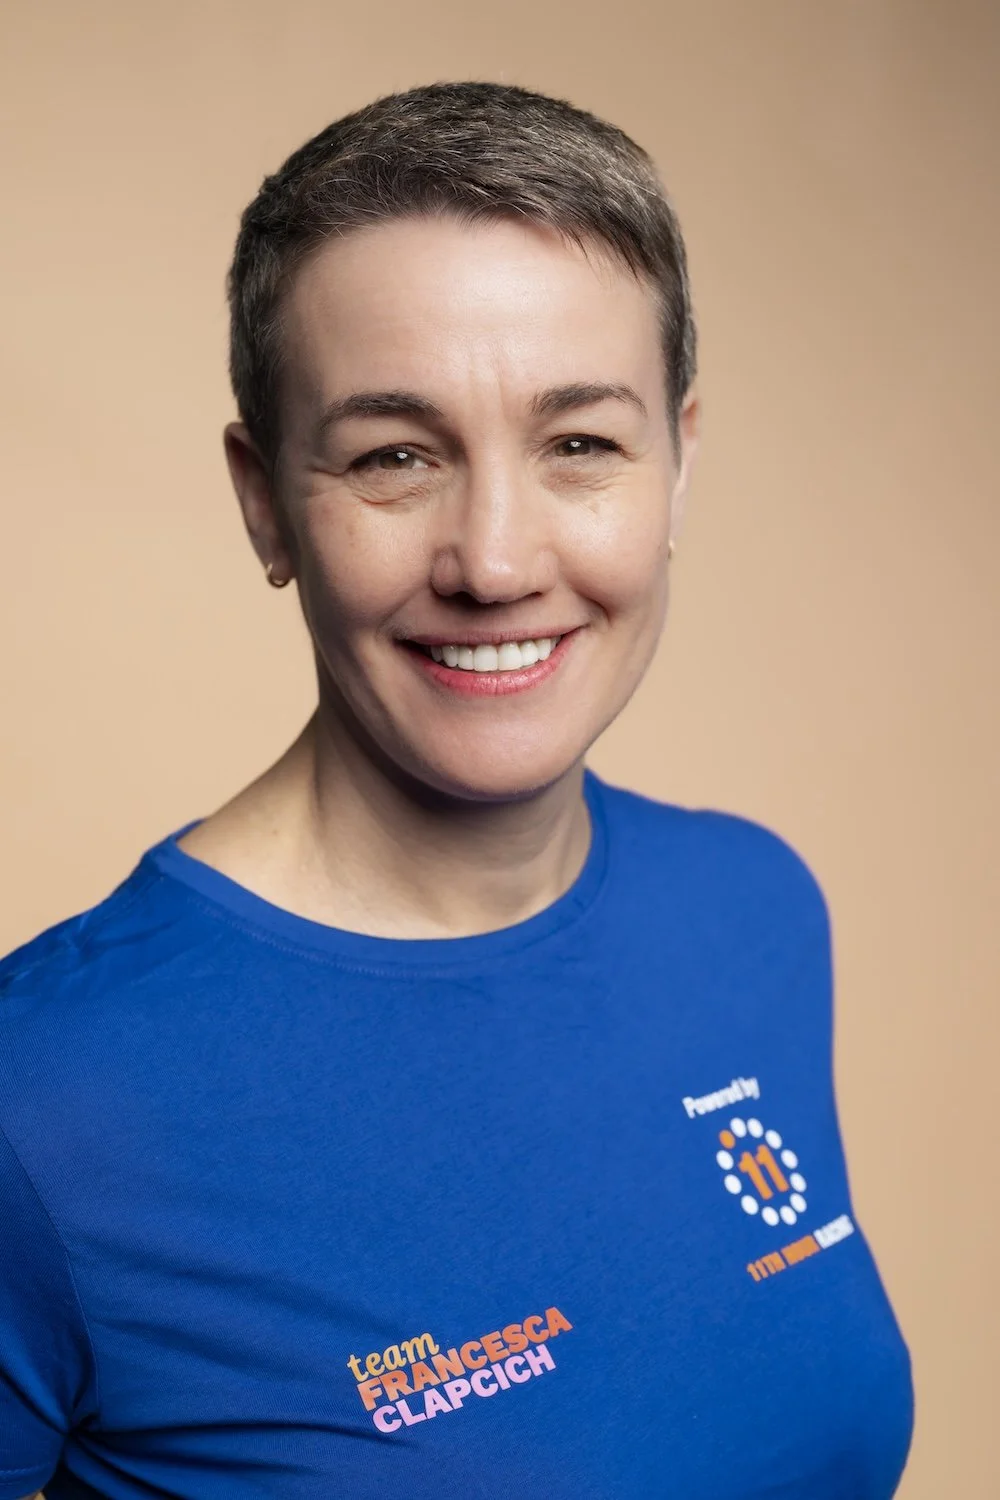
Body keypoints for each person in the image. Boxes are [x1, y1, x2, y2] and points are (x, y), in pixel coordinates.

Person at [0, 80, 913, 1500]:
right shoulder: (44, 1103)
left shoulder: (750, 908)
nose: (492, 559)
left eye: (580, 444)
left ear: (678, 466)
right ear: (264, 502)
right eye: (394, 457)